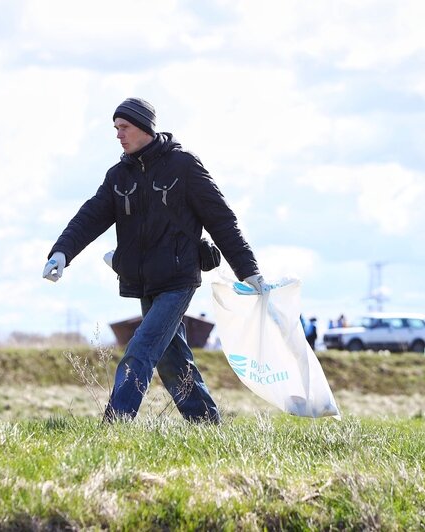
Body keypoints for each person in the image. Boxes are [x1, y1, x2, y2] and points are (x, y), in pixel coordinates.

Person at [43, 97, 268, 424]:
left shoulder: (184, 166)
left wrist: (248, 270)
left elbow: (221, 220)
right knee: (172, 361)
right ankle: (206, 423)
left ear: (145, 128)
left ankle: (115, 426)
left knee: (141, 350)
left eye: (125, 127)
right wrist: (62, 252)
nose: (118, 134)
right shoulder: (119, 176)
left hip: (179, 279)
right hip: (142, 281)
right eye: (116, 128)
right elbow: (89, 217)